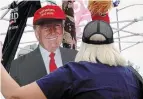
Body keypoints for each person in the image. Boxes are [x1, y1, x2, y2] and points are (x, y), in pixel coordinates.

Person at [1, 20, 142, 99]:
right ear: (112, 45)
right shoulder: (132, 75)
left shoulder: (75, 73)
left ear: (84, 46)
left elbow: (15, 96)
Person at [9, 5, 78, 86]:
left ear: (63, 29)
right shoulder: (18, 66)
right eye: (46, 27)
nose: (52, 32)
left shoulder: (77, 57)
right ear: (37, 32)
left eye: (57, 26)